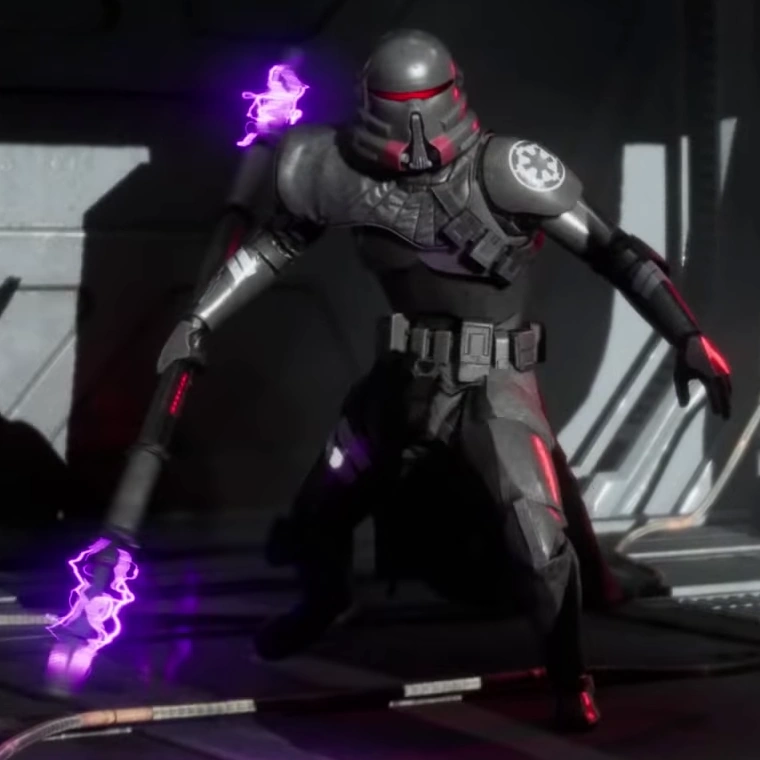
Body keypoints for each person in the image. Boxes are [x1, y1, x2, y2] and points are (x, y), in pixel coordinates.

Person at [157, 29, 732, 731]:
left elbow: (615, 251)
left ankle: (567, 675)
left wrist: (686, 333)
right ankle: (325, 603)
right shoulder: (335, 169)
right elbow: (272, 249)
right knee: (319, 512)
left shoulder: (506, 171)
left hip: (494, 383)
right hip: (400, 383)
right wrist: (200, 318)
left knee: (537, 540)